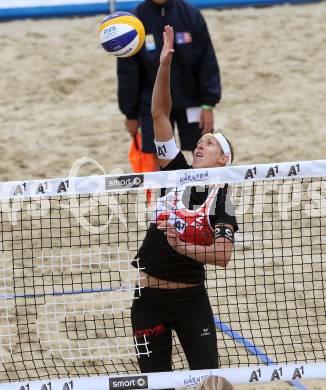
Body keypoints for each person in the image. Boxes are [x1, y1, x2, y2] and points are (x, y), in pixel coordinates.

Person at [130, 25, 237, 385]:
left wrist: (182, 245)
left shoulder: (221, 198)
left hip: (192, 301)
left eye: (210, 143)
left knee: (210, 382)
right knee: (156, 384)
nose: (201, 145)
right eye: (201, 141)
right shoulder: (173, 172)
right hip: (148, 299)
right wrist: (164, 66)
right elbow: (160, 115)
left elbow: (223, 256)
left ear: (223, 161)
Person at [118, 0, 221, 167]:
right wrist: (130, 114)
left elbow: (206, 61)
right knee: (157, 155)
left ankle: (198, 193)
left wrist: (208, 104)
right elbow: (128, 73)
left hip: (191, 99)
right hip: (152, 103)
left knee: (200, 151)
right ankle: (163, 194)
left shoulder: (191, 15)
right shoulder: (134, 22)